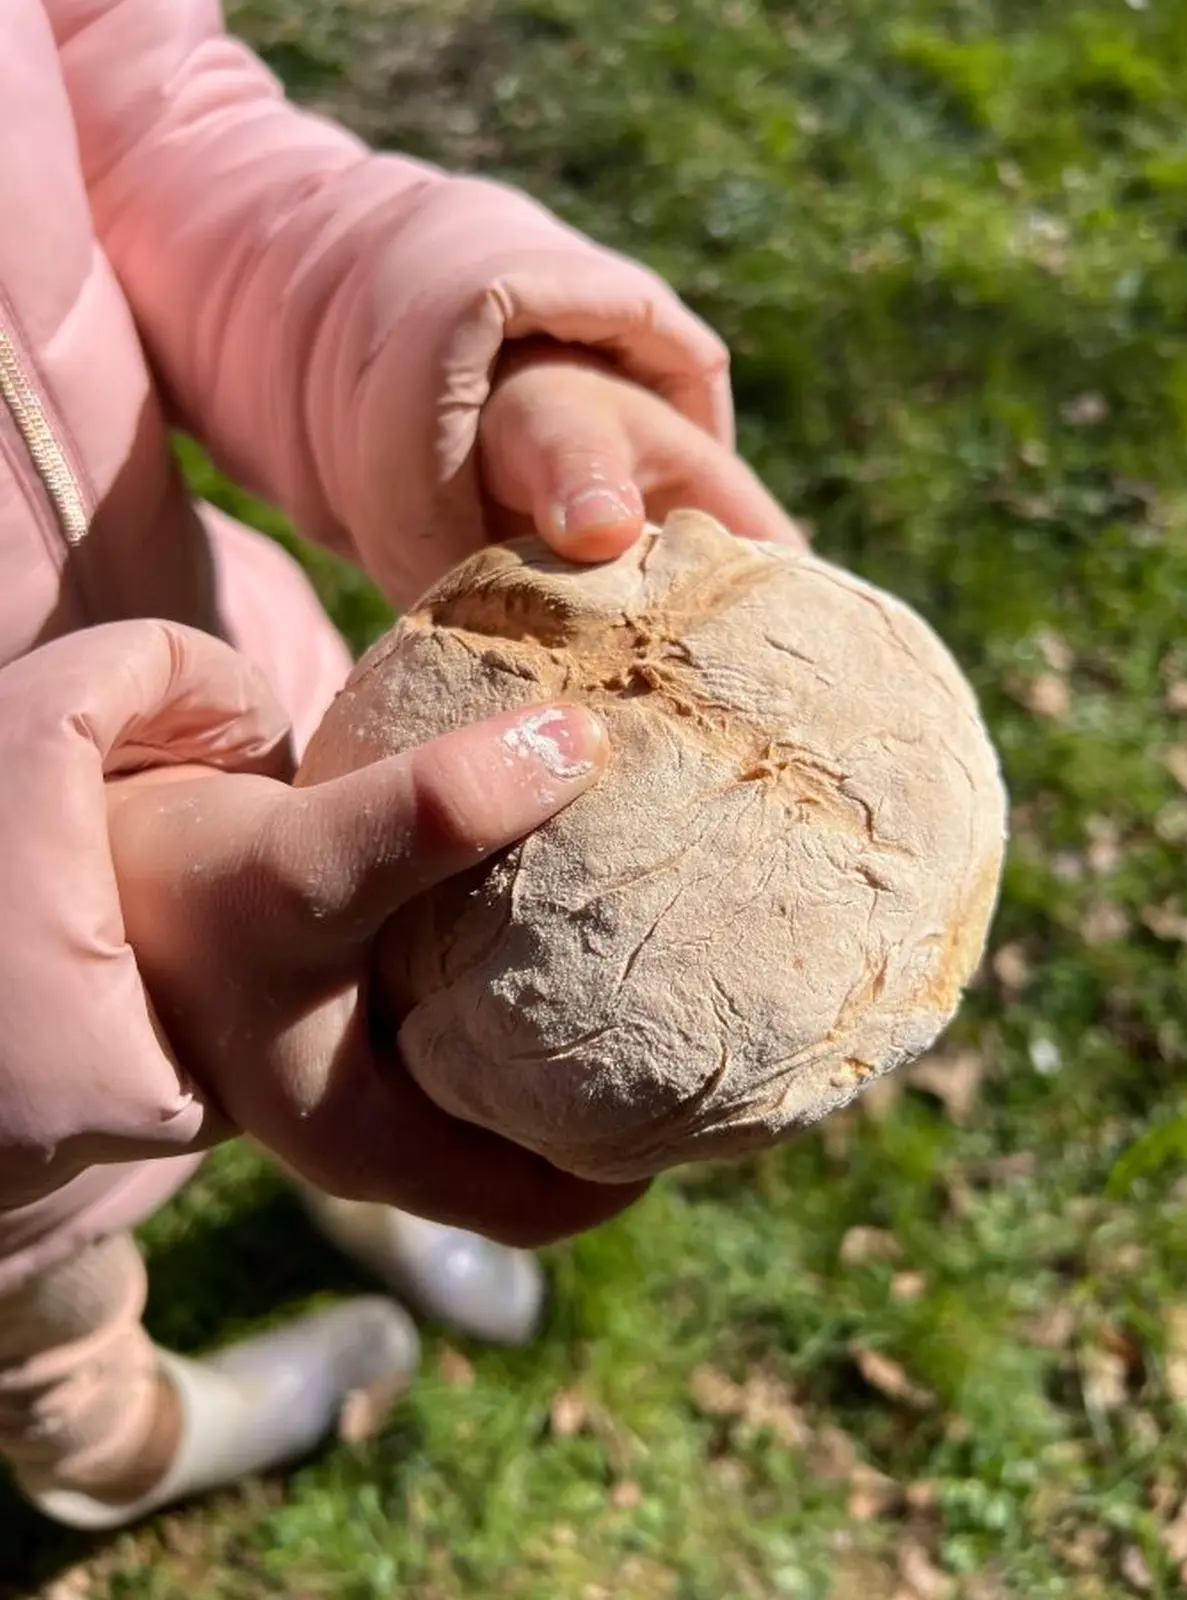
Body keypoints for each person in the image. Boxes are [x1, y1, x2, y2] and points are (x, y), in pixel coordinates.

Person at [0, 0, 801, 1531]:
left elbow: (144, 110)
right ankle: (111, 1448)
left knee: (342, 1021)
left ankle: (344, 1170)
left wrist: (451, 340)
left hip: (228, 678)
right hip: (14, 1092)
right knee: (46, 1301)